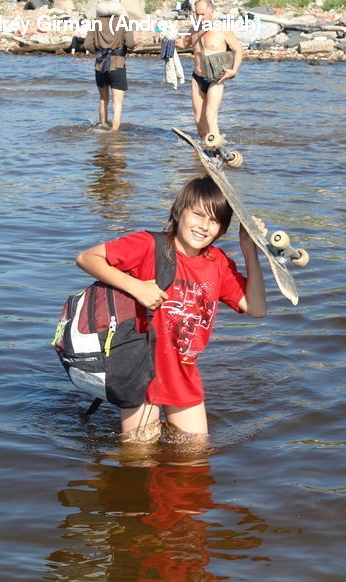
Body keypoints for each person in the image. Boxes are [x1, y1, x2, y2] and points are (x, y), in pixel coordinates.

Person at [75, 176, 267, 441]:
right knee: (138, 460)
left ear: (222, 228)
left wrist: (249, 249)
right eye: (198, 214)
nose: (203, 226)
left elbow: (256, 308)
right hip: (141, 372)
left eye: (214, 221)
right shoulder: (148, 246)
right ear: (178, 212)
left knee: (195, 456)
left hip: (183, 374)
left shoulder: (218, 262)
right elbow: (87, 258)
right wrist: (137, 287)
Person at [174, 0, 243, 140]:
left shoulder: (222, 29)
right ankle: (205, 147)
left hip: (216, 78)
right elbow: (184, 43)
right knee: (199, 120)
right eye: (197, 14)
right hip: (197, 78)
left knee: (210, 116)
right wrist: (169, 40)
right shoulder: (195, 29)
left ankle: (217, 150)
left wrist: (234, 70)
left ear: (212, 11)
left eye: (203, 14)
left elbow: (238, 49)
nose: (200, 18)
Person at [84, 1, 137, 131]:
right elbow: (129, 43)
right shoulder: (124, 21)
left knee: (103, 99)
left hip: (100, 64)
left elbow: (87, 45)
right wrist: (135, 45)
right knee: (117, 104)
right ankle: (114, 133)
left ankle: (102, 126)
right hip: (117, 64)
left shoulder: (95, 22)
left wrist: (98, 53)